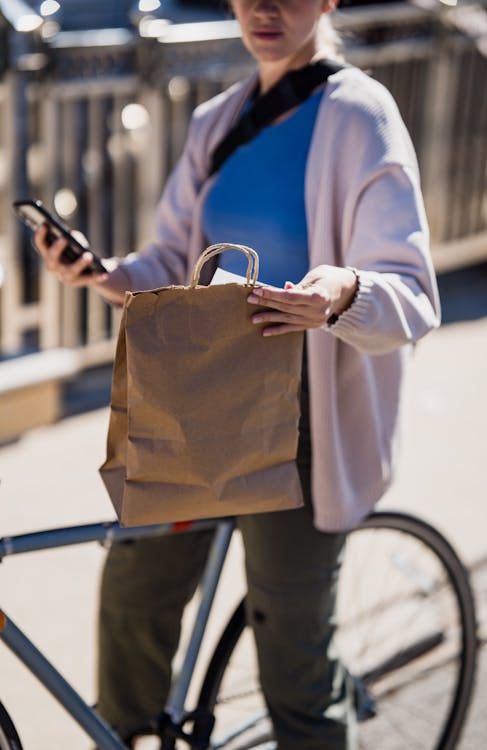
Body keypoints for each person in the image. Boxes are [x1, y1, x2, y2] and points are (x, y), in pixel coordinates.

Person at [35, 1, 440, 747]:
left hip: (306, 420)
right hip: (202, 394)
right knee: (134, 596)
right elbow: (172, 262)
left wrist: (339, 294)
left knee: (292, 665)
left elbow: (412, 292)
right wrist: (102, 273)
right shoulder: (218, 119)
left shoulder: (361, 116)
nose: (264, 7)